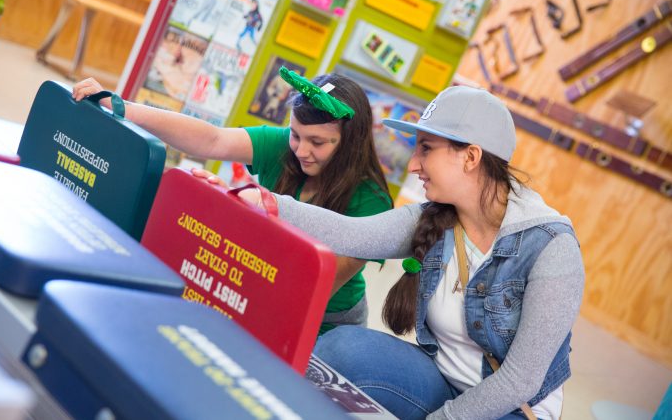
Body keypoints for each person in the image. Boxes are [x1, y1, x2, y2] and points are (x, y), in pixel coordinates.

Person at [236, 85, 584, 419]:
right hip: (440, 380)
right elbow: (352, 233)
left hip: (509, 409)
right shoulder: (436, 217)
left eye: (426, 148)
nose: (413, 164)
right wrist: (267, 202)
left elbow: (520, 381)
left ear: (471, 157)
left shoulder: (551, 248)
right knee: (337, 350)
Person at [72, 68, 393, 335]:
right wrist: (123, 108)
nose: (302, 150)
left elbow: (311, 291)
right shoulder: (284, 148)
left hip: (328, 322)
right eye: (296, 135)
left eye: (318, 142)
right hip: (259, 285)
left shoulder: (371, 201)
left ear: (350, 142)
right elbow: (213, 139)